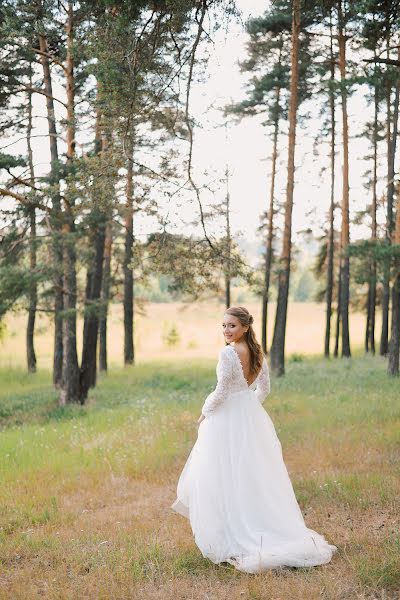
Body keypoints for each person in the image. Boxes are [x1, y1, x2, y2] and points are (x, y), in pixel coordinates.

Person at [170, 306, 337, 573]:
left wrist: (206, 412)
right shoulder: (258, 353)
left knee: (222, 474)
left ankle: (235, 532)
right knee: (250, 474)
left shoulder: (228, 353)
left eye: (232, 326)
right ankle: (254, 523)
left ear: (245, 327)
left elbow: (222, 389)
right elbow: (264, 389)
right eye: (223, 325)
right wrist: (248, 408)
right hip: (249, 418)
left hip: (225, 420)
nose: (226, 330)